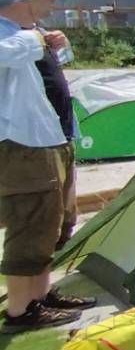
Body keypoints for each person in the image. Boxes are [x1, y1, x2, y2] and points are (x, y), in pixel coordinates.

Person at [0, 0, 93, 332]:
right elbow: (8, 55)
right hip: (23, 146)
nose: (52, 0)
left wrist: (54, 45)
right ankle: (20, 312)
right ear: (22, 0)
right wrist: (36, 40)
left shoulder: (27, 33)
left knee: (52, 223)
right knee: (30, 222)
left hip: (51, 139)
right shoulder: (13, 37)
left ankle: (40, 295)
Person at [35, 43, 78, 250]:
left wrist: (63, 43)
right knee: (48, 204)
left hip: (64, 132)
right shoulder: (13, 38)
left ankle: (63, 245)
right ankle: (44, 252)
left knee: (66, 200)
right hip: (42, 137)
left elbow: (67, 57)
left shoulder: (42, 35)